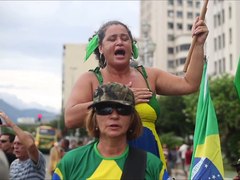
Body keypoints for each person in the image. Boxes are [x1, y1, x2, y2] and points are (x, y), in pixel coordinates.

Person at [64, 18, 208, 167]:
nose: (119, 42)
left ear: (131, 47)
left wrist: (198, 44)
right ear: (101, 48)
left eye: (125, 38)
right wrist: (120, 97)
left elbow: (190, 84)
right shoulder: (91, 79)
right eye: (112, 39)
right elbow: (70, 118)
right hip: (109, 165)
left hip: (151, 161)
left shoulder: (150, 76)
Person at [53, 83, 169, 179]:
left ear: (132, 118)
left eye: (122, 109)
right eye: (105, 109)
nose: (114, 116)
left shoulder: (152, 165)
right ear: (94, 116)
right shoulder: (71, 162)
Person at [0, 111, 46, 179]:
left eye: (19, 144)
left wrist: (11, 125)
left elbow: (30, 145)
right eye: (14, 143)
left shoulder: (37, 160)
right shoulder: (14, 164)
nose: (15, 146)